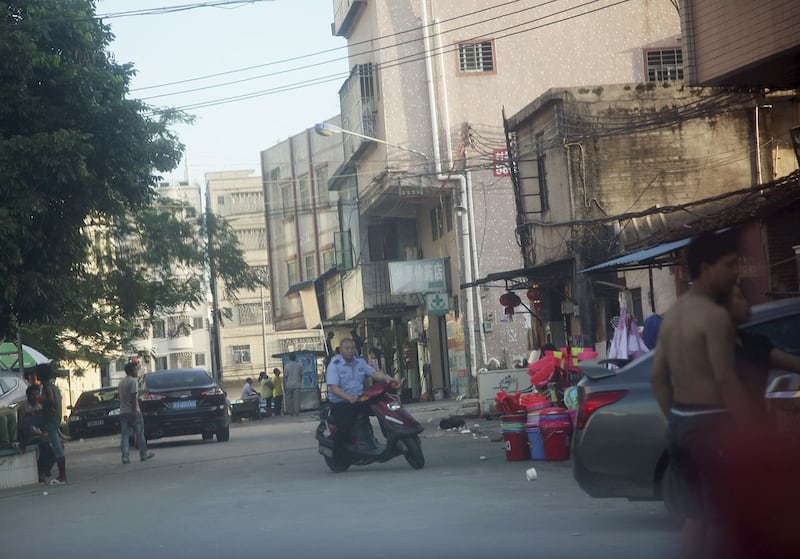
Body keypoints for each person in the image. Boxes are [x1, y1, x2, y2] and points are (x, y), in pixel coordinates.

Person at [650, 230, 753, 559]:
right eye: (729, 265)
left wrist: (676, 420)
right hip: (713, 426)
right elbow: (726, 379)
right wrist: (751, 431)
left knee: (694, 517)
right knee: (723, 519)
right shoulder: (715, 317)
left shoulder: (672, 317)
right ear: (706, 269)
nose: (735, 272)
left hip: (680, 422)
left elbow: (657, 379)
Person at [326, 337, 394, 457]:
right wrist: (348, 398)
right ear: (341, 350)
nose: (350, 350)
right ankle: (337, 454)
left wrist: (389, 379)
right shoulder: (335, 365)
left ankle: (391, 436)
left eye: (352, 348)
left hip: (360, 399)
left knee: (384, 409)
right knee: (345, 426)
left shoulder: (360, 362)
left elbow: (374, 373)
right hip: (342, 403)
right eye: (347, 348)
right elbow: (334, 388)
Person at [36, 363, 68, 484]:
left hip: (50, 420)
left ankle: (62, 476)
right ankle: (62, 475)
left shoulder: (47, 386)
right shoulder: (53, 386)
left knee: (56, 447)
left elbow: (50, 400)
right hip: (54, 419)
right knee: (56, 446)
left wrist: (41, 400)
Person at [17, 385, 56, 482]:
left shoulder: (40, 406)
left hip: (41, 434)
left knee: (57, 447)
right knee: (45, 445)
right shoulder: (23, 408)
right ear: (28, 396)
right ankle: (41, 472)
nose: (35, 397)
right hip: (29, 436)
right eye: (32, 395)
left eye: (37, 394)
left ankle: (44, 470)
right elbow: (21, 427)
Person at [119, 361, 154, 464]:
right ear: (131, 371)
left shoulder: (121, 383)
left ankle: (125, 457)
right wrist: (134, 411)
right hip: (133, 411)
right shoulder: (133, 381)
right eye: (135, 369)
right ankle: (143, 454)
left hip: (123, 411)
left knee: (125, 435)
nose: (137, 371)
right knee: (140, 434)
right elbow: (133, 397)